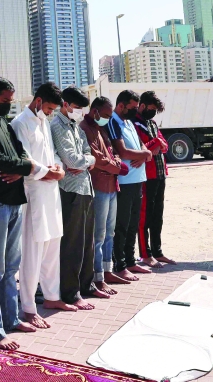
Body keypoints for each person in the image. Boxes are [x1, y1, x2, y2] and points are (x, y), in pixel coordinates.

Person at [0, 77, 47, 352]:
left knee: (11, 267)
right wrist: (25, 166)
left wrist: (22, 166)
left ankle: (10, 319)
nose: (8, 105)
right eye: (4, 101)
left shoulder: (3, 121)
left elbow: (18, 153)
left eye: (11, 101)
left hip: (14, 201)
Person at [11, 82, 69, 329]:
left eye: (53, 109)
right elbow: (25, 162)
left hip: (51, 194)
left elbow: (52, 153)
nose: (51, 113)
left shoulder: (44, 122)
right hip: (33, 194)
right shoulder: (20, 123)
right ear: (37, 101)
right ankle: (28, 307)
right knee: (33, 253)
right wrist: (49, 172)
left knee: (52, 246)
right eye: (48, 108)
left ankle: (52, 296)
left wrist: (59, 167)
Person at [50, 87, 104, 308]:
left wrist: (86, 161)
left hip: (85, 187)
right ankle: (71, 293)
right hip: (70, 190)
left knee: (87, 241)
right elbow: (72, 160)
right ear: (65, 104)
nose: (80, 112)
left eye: (82, 108)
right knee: (72, 244)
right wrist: (86, 161)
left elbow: (87, 153)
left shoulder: (74, 126)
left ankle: (86, 285)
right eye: (77, 107)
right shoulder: (57, 126)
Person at [79, 97, 129, 293]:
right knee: (98, 235)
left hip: (110, 186)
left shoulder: (102, 128)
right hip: (99, 186)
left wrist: (115, 164)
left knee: (110, 233)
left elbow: (112, 152)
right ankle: (98, 277)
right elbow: (96, 158)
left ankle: (107, 271)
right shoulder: (85, 127)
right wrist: (115, 167)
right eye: (106, 115)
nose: (108, 118)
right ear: (95, 112)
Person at [107, 91, 153, 281]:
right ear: (121, 106)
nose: (136, 110)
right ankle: (120, 265)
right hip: (124, 183)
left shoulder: (130, 123)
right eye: (133, 107)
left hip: (137, 181)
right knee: (122, 225)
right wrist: (143, 155)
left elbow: (145, 148)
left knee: (133, 223)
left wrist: (144, 154)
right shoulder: (114, 122)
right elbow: (123, 152)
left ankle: (130, 261)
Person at [133, 91, 174, 268]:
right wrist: (155, 143)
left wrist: (156, 143)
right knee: (144, 217)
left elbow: (164, 145)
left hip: (159, 174)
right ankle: (145, 254)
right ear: (142, 105)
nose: (153, 112)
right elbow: (140, 149)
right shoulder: (134, 124)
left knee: (158, 216)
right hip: (145, 177)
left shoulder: (152, 123)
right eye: (151, 109)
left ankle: (157, 252)